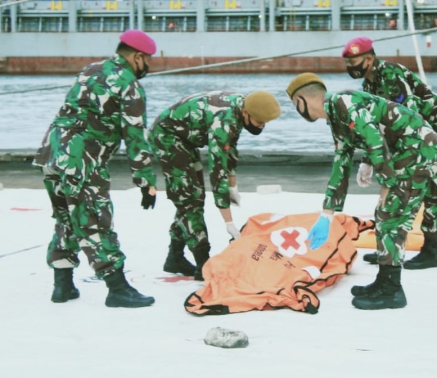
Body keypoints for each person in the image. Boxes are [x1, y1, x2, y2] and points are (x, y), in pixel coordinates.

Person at [286, 73, 437, 310]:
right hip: (407, 151)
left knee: (390, 216)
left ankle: (392, 290)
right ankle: (384, 280)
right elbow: (341, 162)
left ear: (300, 100)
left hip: (419, 149)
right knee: (386, 215)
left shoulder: (342, 102)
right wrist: (327, 214)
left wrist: (387, 183)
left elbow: (374, 139)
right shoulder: (335, 116)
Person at [33, 29, 159, 308]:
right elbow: (135, 138)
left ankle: (62, 286)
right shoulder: (129, 85)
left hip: (52, 152)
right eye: (148, 60)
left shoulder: (90, 69)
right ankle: (117, 288)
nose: (148, 66)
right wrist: (146, 182)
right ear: (137, 57)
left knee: (67, 217)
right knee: (94, 220)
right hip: (82, 160)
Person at [341, 36, 437, 270]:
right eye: (347, 63)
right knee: (400, 191)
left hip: (436, 135)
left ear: (369, 59)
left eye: (353, 62)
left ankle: (430, 251)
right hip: (415, 137)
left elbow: (406, 116)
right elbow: (376, 124)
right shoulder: (369, 84)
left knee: (436, 192)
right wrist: (368, 159)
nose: (350, 68)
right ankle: (389, 249)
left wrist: (386, 159)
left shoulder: (391, 75)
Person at [150, 90, 281, 281]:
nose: (262, 126)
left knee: (193, 196)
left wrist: (233, 186)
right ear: (246, 113)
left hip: (186, 139)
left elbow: (230, 148)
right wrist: (229, 223)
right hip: (168, 137)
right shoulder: (225, 121)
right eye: (259, 122)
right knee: (190, 200)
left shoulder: (242, 108)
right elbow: (217, 172)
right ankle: (203, 264)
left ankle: (175, 257)